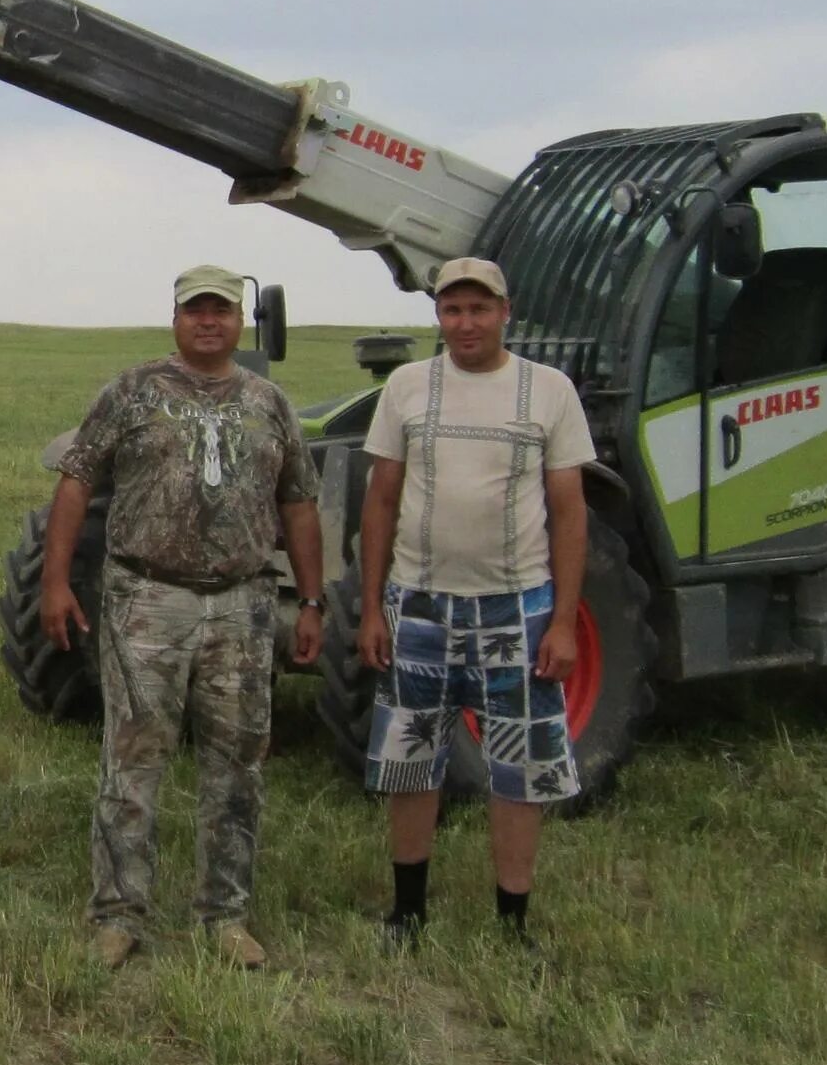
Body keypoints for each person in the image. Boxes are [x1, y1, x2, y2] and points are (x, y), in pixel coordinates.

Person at [43, 264, 327, 971]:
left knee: (237, 766)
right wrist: (55, 581)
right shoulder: (133, 392)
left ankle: (225, 916)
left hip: (241, 604)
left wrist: (314, 600)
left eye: (222, 310)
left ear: (239, 321)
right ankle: (117, 914)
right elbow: (77, 481)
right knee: (132, 760)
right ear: (175, 317)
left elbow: (298, 503)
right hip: (146, 600)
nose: (209, 321)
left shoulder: (269, 402)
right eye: (196, 309)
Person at [355, 255, 596, 949]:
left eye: (479, 309)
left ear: (505, 311)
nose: (465, 323)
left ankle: (513, 922)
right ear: (438, 315)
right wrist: (373, 608)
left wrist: (562, 621)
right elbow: (381, 499)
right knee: (410, 758)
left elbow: (570, 512)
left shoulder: (547, 392)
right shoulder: (406, 388)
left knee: (519, 769)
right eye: (452, 310)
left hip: (515, 609)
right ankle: (407, 914)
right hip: (420, 606)